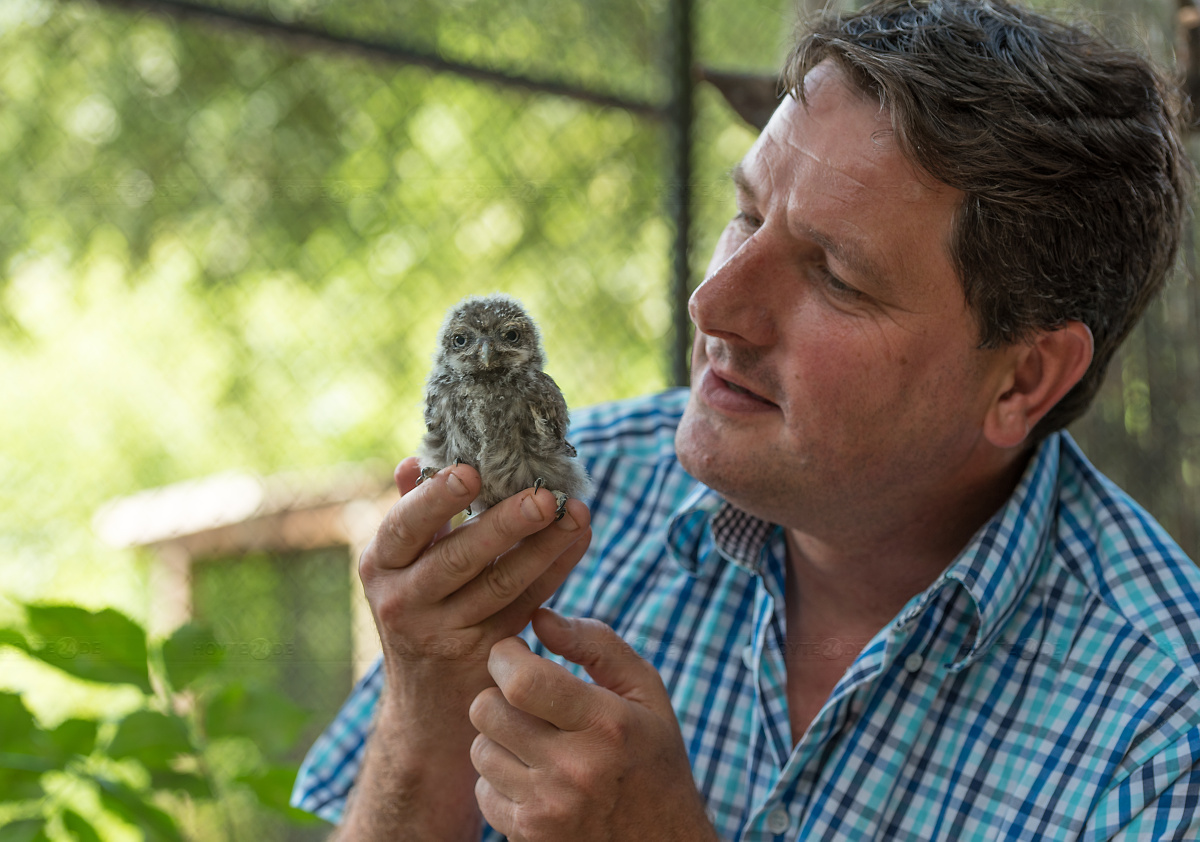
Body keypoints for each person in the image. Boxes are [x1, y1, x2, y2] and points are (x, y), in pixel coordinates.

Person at [292, 0, 1200, 838]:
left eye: (836, 276)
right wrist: (422, 715)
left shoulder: (1163, 735)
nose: (713, 302)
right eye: (746, 214)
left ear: (1025, 380)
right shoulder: (570, 490)